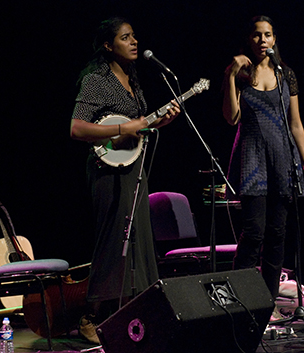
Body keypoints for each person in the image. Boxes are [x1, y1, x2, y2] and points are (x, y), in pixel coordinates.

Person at [70, 16, 180, 343]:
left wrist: (160, 122)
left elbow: (140, 127)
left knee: (138, 241)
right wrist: (123, 128)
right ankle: (91, 316)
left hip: (134, 167)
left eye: (134, 36)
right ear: (108, 45)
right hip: (107, 171)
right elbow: (77, 129)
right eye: (125, 37)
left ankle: (135, 311)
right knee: (113, 241)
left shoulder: (132, 78)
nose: (134, 42)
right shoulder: (96, 78)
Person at [222, 15, 304, 302]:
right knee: (254, 233)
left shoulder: (285, 74)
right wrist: (229, 76)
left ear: (274, 39)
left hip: (282, 158)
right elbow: (232, 118)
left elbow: (296, 123)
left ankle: (267, 301)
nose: (262, 40)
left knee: (277, 235)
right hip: (252, 157)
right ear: (249, 40)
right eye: (256, 35)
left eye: (267, 35)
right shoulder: (240, 74)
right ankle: (241, 299)